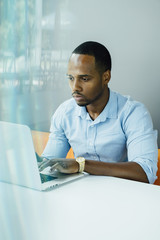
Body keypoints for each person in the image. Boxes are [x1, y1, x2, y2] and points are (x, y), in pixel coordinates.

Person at [39, 41, 158, 184]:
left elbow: (145, 173)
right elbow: (49, 164)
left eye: (84, 79)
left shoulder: (133, 113)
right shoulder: (65, 113)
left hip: (122, 195)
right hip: (79, 193)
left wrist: (81, 165)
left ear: (106, 77)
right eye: (71, 78)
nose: (75, 87)